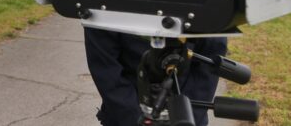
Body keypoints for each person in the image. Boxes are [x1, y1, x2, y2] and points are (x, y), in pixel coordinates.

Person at [84, 28, 228, 126]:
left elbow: (210, 57)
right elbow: (105, 68)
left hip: (186, 110)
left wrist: (188, 117)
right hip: (125, 114)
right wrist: (134, 120)